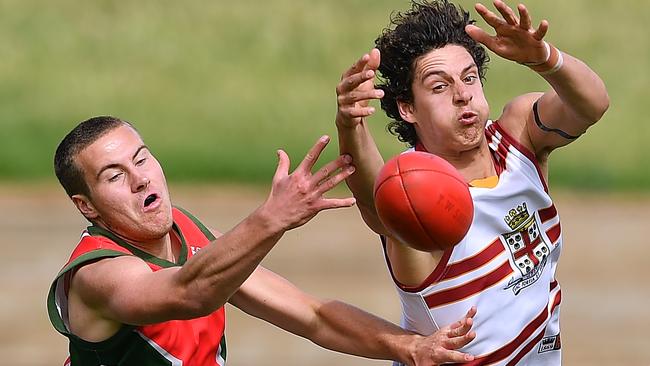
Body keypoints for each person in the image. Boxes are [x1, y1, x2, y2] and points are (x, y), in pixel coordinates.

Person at [47, 116, 479, 366]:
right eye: (114, 175)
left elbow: (312, 316)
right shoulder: (97, 275)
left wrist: (412, 347)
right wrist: (272, 218)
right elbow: (189, 292)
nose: (140, 177)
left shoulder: (188, 233)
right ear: (88, 207)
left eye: (141, 158)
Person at [335, 0, 608, 364]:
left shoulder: (518, 137)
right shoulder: (415, 199)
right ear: (408, 109)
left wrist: (544, 57)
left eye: (469, 77)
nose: (462, 93)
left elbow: (593, 105)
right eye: (439, 87)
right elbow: (375, 197)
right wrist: (350, 122)